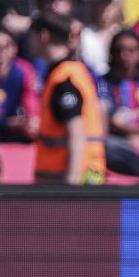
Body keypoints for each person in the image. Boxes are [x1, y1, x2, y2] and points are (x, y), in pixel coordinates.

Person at [34, 13, 107, 185]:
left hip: (70, 183)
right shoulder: (74, 71)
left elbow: (76, 133)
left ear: (43, 35)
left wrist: (70, 186)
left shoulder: (64, 79)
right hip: (83, 179)